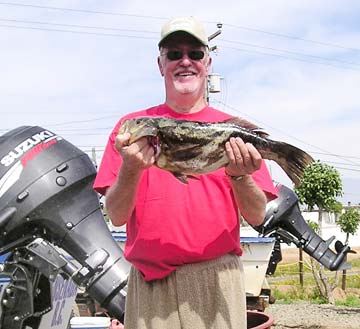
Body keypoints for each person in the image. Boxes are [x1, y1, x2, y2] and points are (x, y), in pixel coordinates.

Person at [94, 16, 278, 329]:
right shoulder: (131, 129)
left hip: (217, 280)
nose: (185, 62)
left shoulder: (232, 130)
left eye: (194, 53)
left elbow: (258, 215)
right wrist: (131, 169)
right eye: (174, 54)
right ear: (160, 63)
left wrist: (239, 175)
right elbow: (116, 215)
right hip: (150, 284)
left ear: (207, 62)